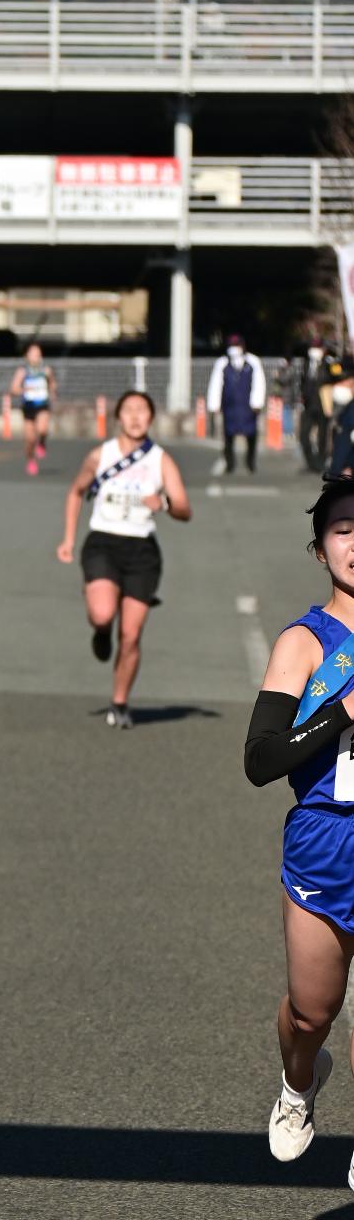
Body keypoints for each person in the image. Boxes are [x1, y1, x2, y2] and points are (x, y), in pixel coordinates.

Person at [243, 477, 354, 1178]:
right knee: (312, 1014)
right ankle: (298, 1081)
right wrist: (342, 712)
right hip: (325, 840)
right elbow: (259, 760)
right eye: (343, 531)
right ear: (319, 550)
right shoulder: (305, 641)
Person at [56, 389, 192, 728]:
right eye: (128, 410)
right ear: (118, 417)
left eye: (142, 411)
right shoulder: (100, 455)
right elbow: (75, 491)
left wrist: (162, 503)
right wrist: (69, 539)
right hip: (102, 542)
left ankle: (120, 702)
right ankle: (101, 630)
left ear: (150, 418)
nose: (135, 417)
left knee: (131, 635)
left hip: (142, 550)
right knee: (103, 615)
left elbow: (184, 509)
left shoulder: (160, 460)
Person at [206, 335, 266, 476]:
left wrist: (257, 402)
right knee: (228, 435)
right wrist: (214, 404)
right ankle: (230, 464)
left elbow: (259, 383)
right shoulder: (222, 363)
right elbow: (216, 384)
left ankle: (250, 463)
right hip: (230, 405)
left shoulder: (252, 362)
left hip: (247, 405)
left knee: (251, 435)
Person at [9, 342, 56, 476]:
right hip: (28, 406)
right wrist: (24, 389)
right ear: (27, 355)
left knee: (42, 428)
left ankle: (42, 442)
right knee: (29, 439)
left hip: (42, 404)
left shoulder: (46, 370)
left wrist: (51, 391)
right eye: (33, 353)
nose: (36, 356)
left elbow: (52, 384)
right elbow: (13, 389)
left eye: (38, 353)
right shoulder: (22, 371)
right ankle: (31, 459)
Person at [293, 337, 337, 476]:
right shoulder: (306, 364)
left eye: (317, 348)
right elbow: (302, 383)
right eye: (313, 348)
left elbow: (338, 377)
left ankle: (321, 463)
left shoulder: (329, 364)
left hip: (324, 406)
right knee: (303, 435)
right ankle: (311, 463)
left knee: (322, 436)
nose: (314, 351)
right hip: (308, 405)